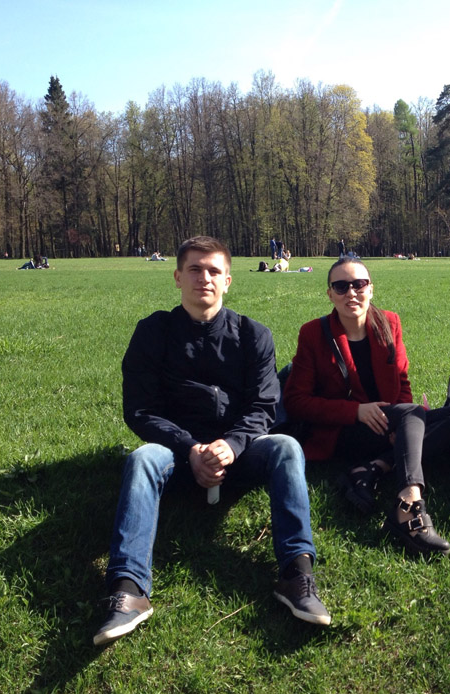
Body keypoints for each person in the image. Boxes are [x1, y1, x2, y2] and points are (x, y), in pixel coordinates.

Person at [94, 235, 329, 646]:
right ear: (177, 277)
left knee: (287, 447)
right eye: (195, 269)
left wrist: (232, 445)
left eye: (214, 271)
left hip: (241, 453)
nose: (204, 278)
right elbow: (140, 410)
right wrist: (189, 447)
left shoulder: (253, 335)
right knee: (142, 459)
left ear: (227, 281)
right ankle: (129, 590)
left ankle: (297, 575)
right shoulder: (153, 332)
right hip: (175, 454)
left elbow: (264, 405)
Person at [283, 256, 450, 556]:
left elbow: (402, 382)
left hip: (387, 423)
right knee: (416, 414)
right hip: (343, 431)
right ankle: (409, 505)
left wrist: (398, 426)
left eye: (359, 284)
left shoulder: (389, 323)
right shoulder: (313, 333)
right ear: (330, 294)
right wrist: (356, 411)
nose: (351, 293)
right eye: (341, 287)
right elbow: (295, 401)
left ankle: (373, 468)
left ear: (371, 289)